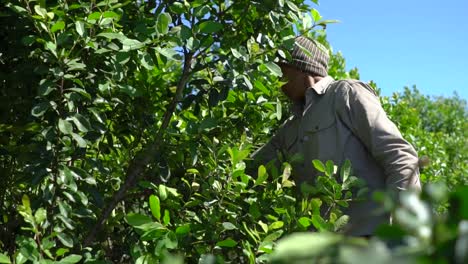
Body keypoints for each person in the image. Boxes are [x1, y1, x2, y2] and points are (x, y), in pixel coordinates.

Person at [250, 36, 421, 236]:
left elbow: (401, 157)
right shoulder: (290, 127)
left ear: (301, 66)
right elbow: (250, 169)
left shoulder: (345, 93)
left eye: (280, 70)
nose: (277, 80)